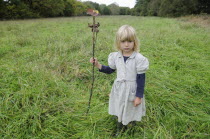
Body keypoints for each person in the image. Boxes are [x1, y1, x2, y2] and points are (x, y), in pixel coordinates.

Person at [90, 25, 149, 136]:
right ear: (118, 42)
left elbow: (141, 79)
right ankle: (120, 129)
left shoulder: (139, 59)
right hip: (119, 89)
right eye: (123, 41)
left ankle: (132, 127)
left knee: (131, 108)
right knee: (120, 108)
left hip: (132, 89)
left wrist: (139, 96)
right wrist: (98, 65)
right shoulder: (116, 56)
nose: (126, 44)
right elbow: (110, 70)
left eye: (130, 41)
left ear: (135, 42)